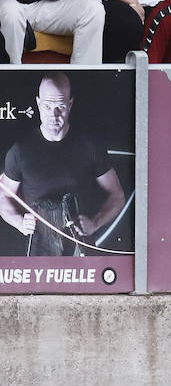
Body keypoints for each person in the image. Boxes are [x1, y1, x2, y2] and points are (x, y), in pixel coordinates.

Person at [0, 73, 126, 256]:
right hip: (39, 252)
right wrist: (19, 222)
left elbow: (118, 195)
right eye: (47, 106)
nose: (54, 115)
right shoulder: (20, 151)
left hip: (80, 250)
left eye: (60, 107)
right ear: (38, 104)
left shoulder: (89, 146)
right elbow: (2, 197)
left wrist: (95, 222)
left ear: (70, 104)